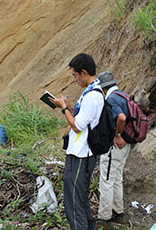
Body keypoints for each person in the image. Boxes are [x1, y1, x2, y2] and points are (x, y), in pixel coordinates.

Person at [50, 53, 103, 230]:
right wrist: (67, 107)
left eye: (74, 75)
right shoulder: (91, 92)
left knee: (74, 204)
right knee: (79, 199)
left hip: (81, 154)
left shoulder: (92, 96)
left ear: (84, 72)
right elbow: (82, 119)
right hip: (79, 153)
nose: (74, 79)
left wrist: (64, 108)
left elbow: (77, 126)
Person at [96, 71, 132, 228]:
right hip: (127, 145)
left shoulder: (111, 99)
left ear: (103, 88)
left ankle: (104, 218)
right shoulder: (124, 95)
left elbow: (122, 117)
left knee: (106, 180)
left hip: (116, 146)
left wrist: (117, 134)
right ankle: (119, 213)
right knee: (117, 178)